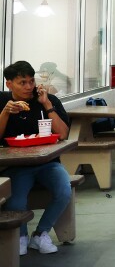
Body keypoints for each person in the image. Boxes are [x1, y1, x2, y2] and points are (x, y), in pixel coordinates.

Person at [0, 61, 71, 255]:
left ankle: (40, 234)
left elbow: (63, 134)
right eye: (22, 82)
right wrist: (5, 113)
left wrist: (47, 104)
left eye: (31, 81)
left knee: (64, 191)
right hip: (17, 165)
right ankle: (21, 236)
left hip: (48, 163)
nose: (28, 87)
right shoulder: (2, 102)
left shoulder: (49, 99)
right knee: (15, 202)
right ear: (9, 84)